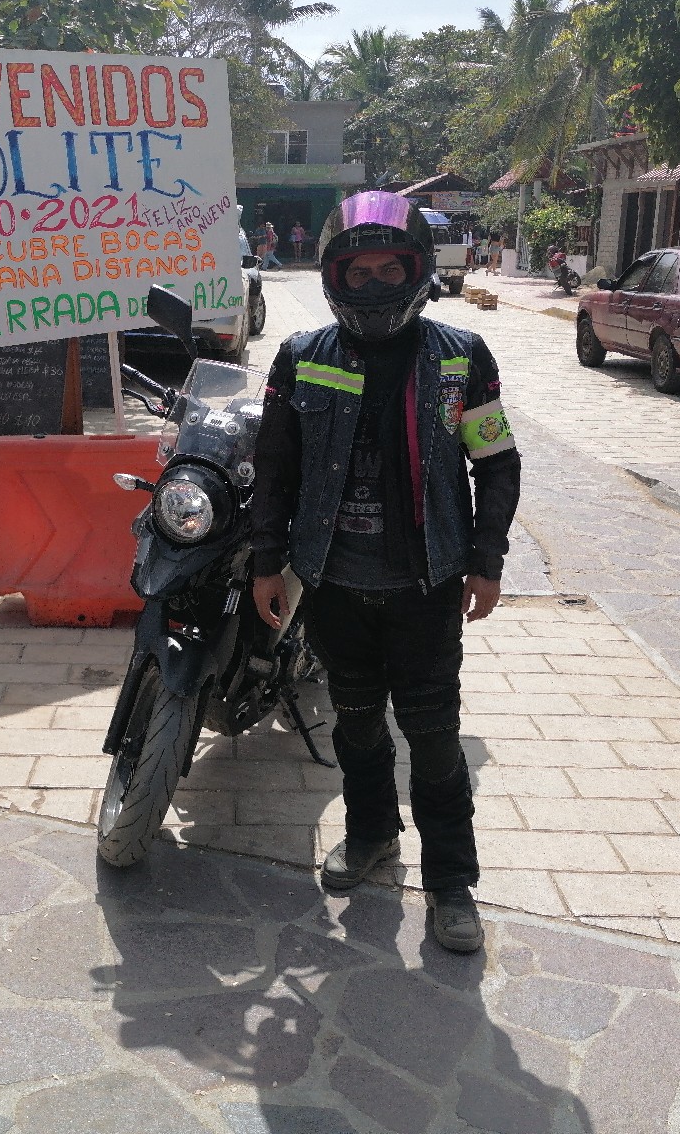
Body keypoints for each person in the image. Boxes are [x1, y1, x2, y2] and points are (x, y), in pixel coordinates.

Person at [250, 191, 522, 955]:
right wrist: (267, 563)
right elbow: (275, 465)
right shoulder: (301, 357)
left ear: (416, 271)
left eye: (388, 269)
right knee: (359, 726)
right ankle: (371, 834)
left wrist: (487, 562)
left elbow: (497, 465)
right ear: (336, 276)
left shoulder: (463, 356)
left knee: (434, 740)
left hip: (428, 588)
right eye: (356, 272)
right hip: (333, 586)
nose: (372, 285)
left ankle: (451, 882)